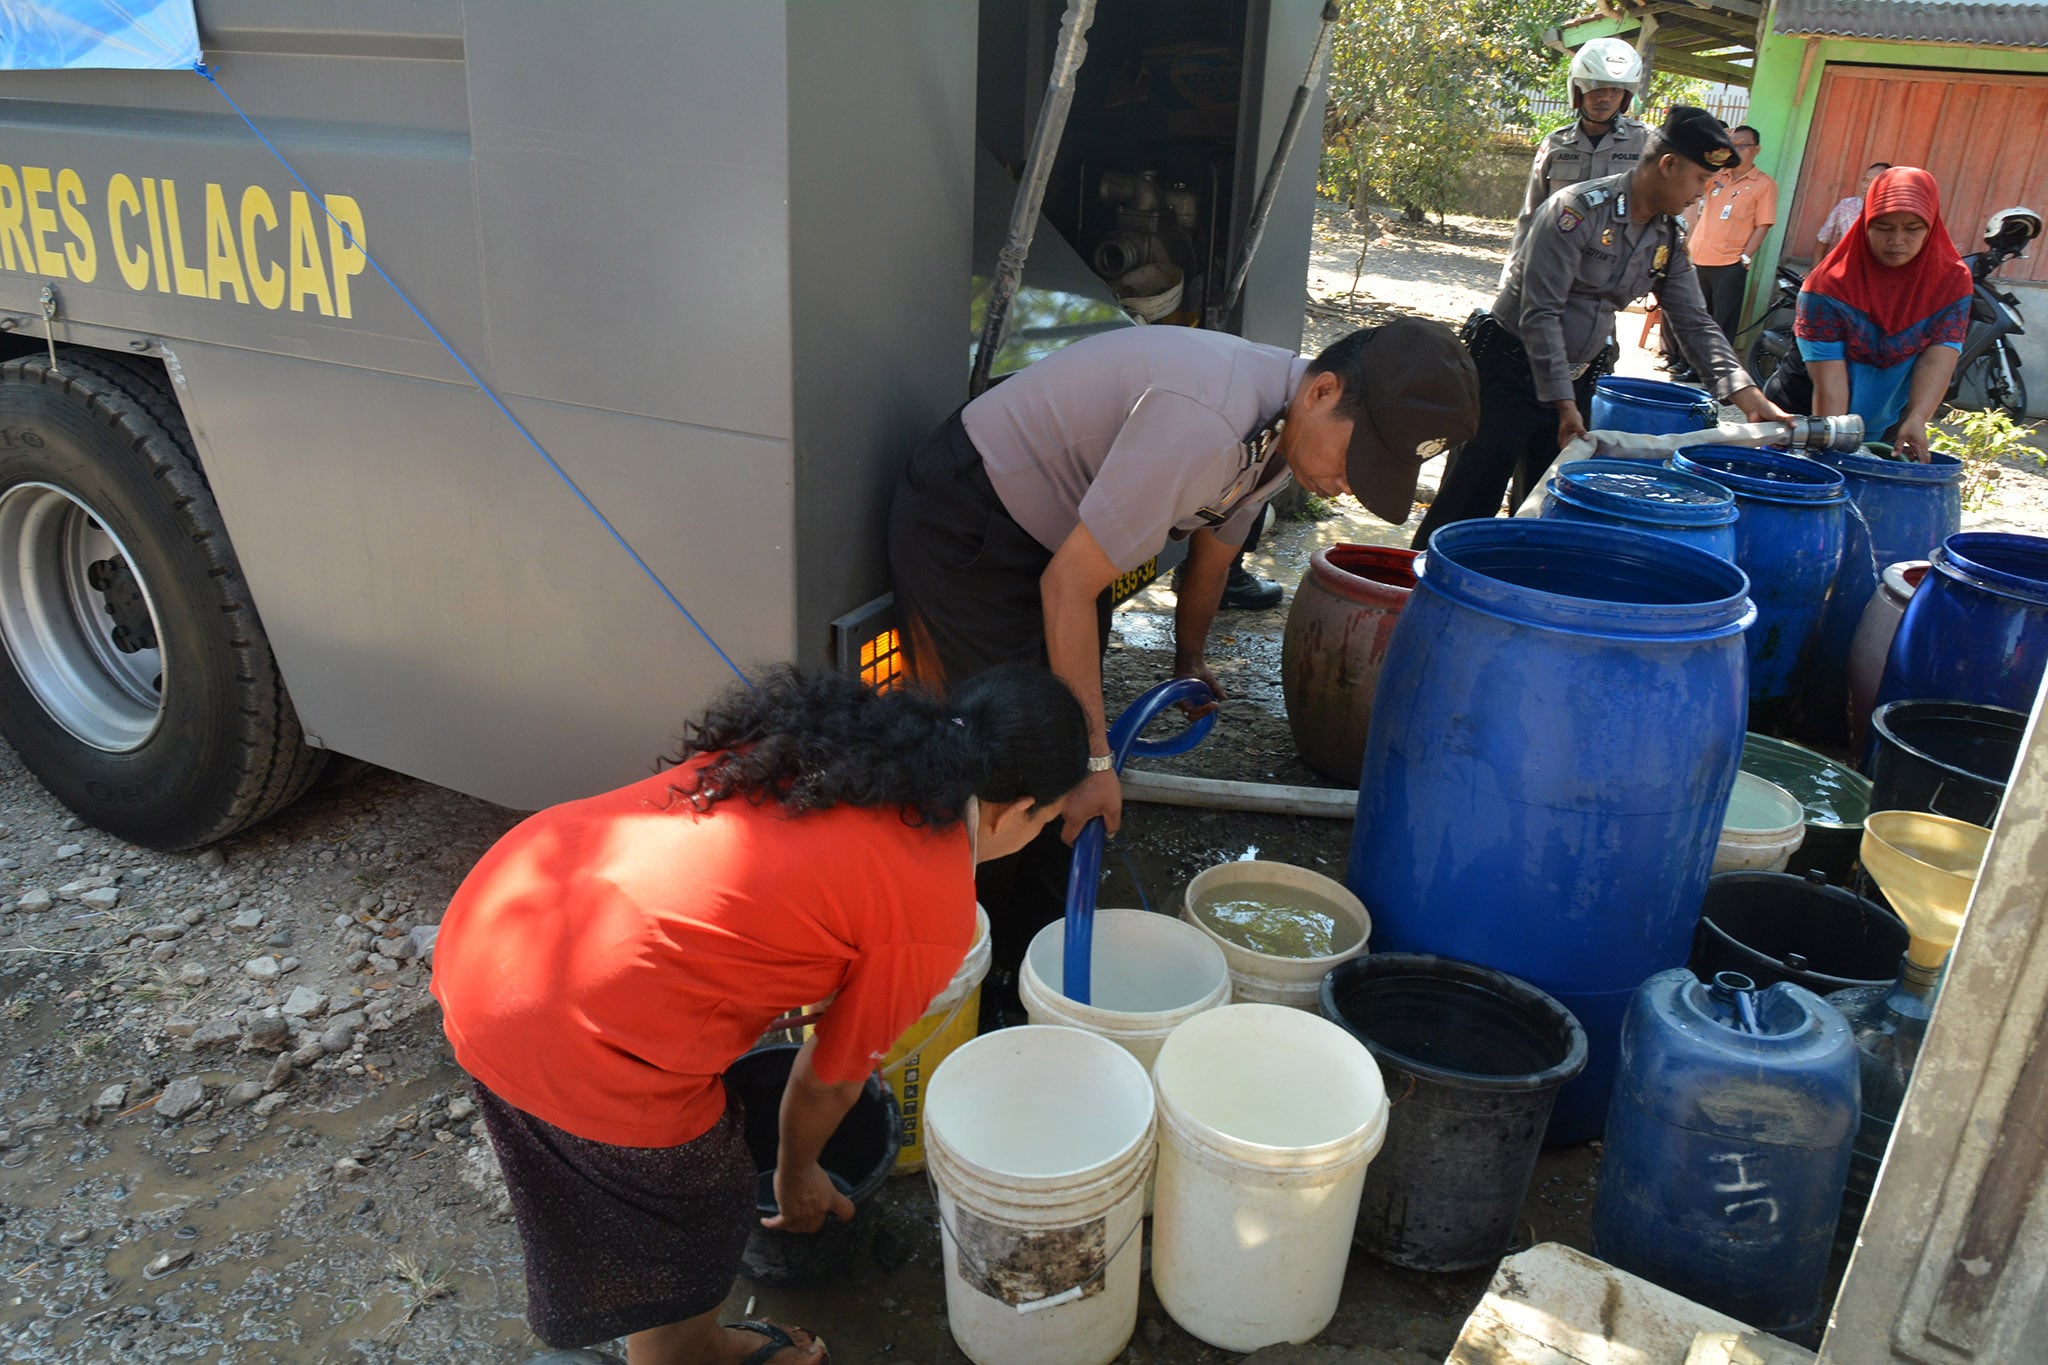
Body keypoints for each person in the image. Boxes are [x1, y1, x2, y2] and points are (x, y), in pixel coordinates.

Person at [431, 664, 1091, 1365]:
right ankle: (682, 1352)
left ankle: (662, 1319)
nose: (1041, 830)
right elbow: (832, 1078)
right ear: (1016, 809)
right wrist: (796, 1172)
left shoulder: (839, 750)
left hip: (496, 920)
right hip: (566, 1011)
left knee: (582, 1157)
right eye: (1049, 819)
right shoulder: (934, 904)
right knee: (700, 1206)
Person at [888, 320, 1478, 1014]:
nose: (1349, 486)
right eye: (1359, 459)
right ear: (1323, 390)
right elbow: (1066, 588)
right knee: (1006, 767)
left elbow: (1214, 554)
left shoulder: (1284, 431)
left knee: (1062, 758)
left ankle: (1037, 973)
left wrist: (1190, 658)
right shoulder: (1206, 424)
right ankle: (948, 980)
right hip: (971, 518)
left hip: (1059, 542)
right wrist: (1097, 765)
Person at [1413, 107, 1792, 548]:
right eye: (1700, 182)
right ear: (1668, 165)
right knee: (1467, 499)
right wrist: (1562, 400)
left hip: (1577, 380)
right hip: (1510, 371)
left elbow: (1695, 322)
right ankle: (1410, 593)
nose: (1701, 197)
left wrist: (1749, 397)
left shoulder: (1667, 236)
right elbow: (1541, 313)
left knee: (1547, 508)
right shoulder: (1575, 211)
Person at [1771, 167, 1972, 462]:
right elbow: (1829, 384)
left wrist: (1917, 417)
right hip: (1804, 414)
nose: (1897, 240)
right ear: (1865, 223)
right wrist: (1836, 455)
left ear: (1931, 226)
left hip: (1888, 421)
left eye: (1912, 228)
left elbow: (1938, 356)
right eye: (1883, 227)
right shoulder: (1829, 284)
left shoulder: (1951, 282)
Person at [1666, 123, 1777, 378]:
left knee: (1720, 322)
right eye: (1733, 144)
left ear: (1756, 150)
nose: (1737, 149)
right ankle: (1688, 363)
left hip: (1730, 262)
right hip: (1699, 256)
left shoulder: (1763, 184)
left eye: (1743, 145)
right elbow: (1695, 174)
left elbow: (1763, 224)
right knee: (1694, 316)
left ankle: (1716, 372)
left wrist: (1745, 257)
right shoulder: (1718, 176)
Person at [1517, 37, 1650, 232]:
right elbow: (1530, 214)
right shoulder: (1555, 144)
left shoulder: (1645, 142)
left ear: (1625, 97)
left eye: (1615, 90)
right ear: (1578, 91)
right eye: (1596, 87)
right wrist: (1518, 261)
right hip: (1558, 254)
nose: (1605, 97)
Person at [1818, 162, 1892, 253]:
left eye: (1874, 182)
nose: (1866, 186)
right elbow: (1824, 237)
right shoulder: (1847, 206)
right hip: (1846, 264)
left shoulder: (1892, 212)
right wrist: (1816, 266)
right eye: (1865, 181)